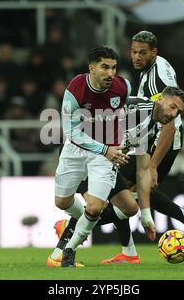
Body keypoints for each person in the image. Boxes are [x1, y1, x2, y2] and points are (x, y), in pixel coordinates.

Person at [51, 31, 184, 265]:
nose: (136, 57)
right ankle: (133, 248)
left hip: (157, 145)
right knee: (127, 200)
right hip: (121, 144)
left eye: (142, 53)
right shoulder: (150, 73)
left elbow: (169, 124)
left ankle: (68, 238)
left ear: (154, 53)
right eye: (133, 52)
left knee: (112, 198)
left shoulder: (157, 84)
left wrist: (154, 165)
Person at [54, 46, 134, 268]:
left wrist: (118, 143)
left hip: (104, 154)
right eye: (105, 67)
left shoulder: (123, 86)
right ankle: (82, 224)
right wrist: (104, 149)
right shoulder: (76, 89)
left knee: (95, 208)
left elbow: (123, 114)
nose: (111, 73)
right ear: (91, 68)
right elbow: (70, 132)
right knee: (62, 202)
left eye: (114, 68)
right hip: (76, 149)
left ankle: (69, 251)